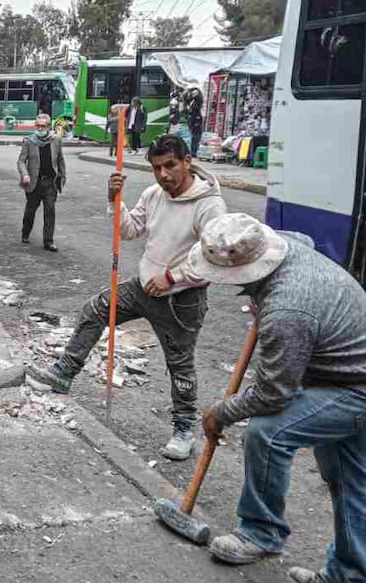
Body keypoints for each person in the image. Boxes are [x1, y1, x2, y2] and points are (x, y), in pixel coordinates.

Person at [190, 214, 366, 583]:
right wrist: (261, 297)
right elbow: (303, 236)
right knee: (350, 477)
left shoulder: (287, 310)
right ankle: (351, 581)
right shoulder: (290, 248)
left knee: (267, 432)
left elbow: (274, 393)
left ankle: (260, 533)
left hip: (363, 387)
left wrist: (220, 413)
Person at [26, 134, 227, 460]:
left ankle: (184, 427)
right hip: (145, 287)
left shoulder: (210, 205)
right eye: (156, 168)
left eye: (171, 166)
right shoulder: (154, 194)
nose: (163, 175)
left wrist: (172, 277)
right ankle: (63, 374)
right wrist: (114, 198)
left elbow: (214, 257)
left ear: (187, 162)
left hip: (182, 299)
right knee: (95, 310)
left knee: (180, 364)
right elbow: (129, 230)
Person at [17, 114, 66, 252]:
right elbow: (21, 160)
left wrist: (62, 176)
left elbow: (60, 159)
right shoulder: (29, 141)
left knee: (50, 210)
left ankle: (48, 241)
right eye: (37, 126)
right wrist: (25, 174)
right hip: (34, 183)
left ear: (48, 127)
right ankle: (25, 232)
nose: (40, 128)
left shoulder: (56, 140)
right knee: (30, 211)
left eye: (43, 126)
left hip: (50, 182)